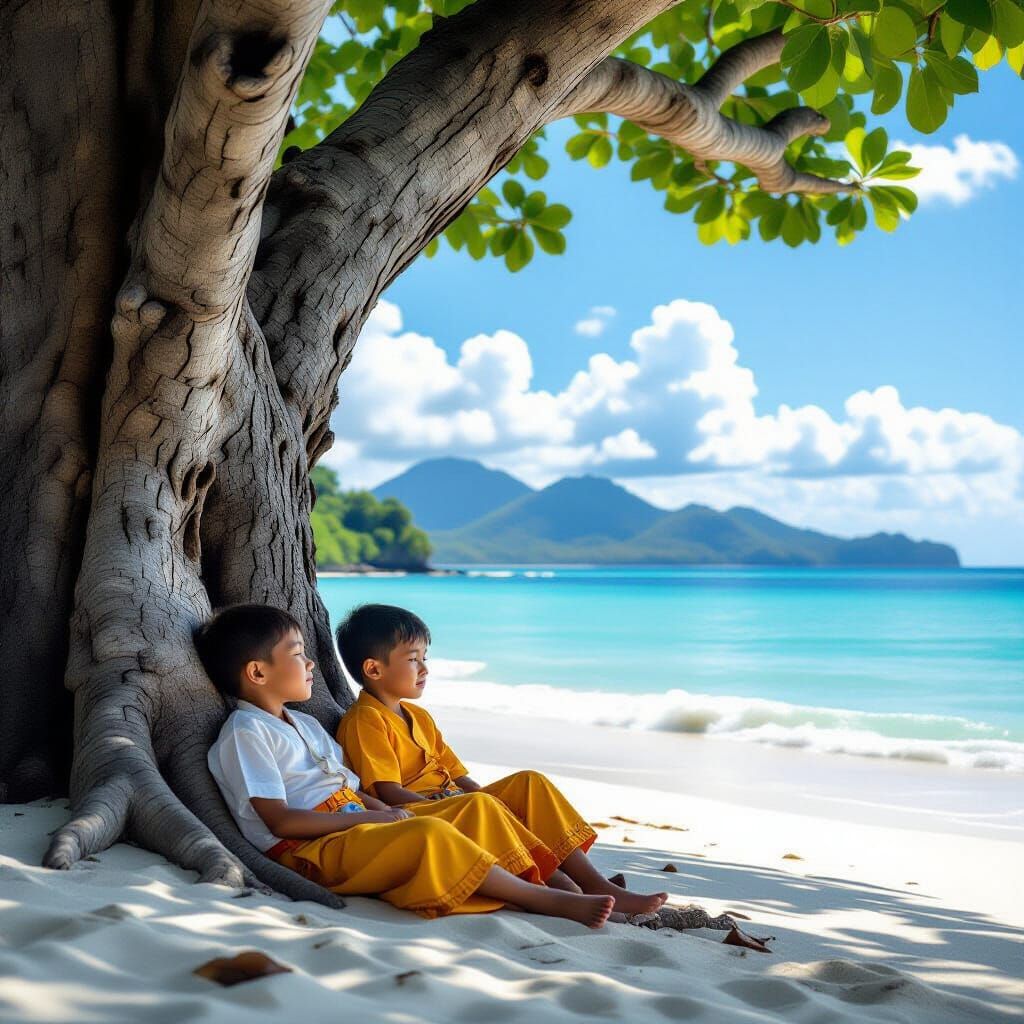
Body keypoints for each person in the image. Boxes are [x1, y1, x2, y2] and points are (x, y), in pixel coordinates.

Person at [196, 604, 615, 926]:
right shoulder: (246, 732)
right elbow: (280, 822)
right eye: (298, 654)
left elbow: (352, 790)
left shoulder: (303, 723)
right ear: (257, 671)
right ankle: (543, 896)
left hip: (353, 822)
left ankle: (557, 884)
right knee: (429, 830)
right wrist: (379, 819)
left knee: (479, 806)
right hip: (311, 851)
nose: (310, 664)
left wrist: (382, 814)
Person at [335, 603, 668, 916]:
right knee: (481, 803)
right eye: (413, 659)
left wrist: (495, 799)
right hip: (417, 811)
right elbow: (387, 792)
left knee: (529, 783)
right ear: (374, 668)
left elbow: (457, 773)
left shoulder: (418, 716)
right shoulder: (366, 720)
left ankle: (589, 879)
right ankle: (569, 890)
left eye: (425, 657)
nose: (425, 668)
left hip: (455, 800)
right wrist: (472, 801)